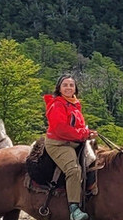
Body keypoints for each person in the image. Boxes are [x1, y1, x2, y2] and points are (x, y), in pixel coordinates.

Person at [44, 74, 98, 220]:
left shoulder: (73, 104)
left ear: (75, 88)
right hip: (59, 144)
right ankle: (74, 210)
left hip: (74, 141)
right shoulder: (57, 105)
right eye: (65, 85)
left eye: (71, 85)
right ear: (59, 88)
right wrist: (84, 134)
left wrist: (88, 133)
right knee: (74, 170)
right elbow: (61, 129)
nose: (68, 87)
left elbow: (76, 127)